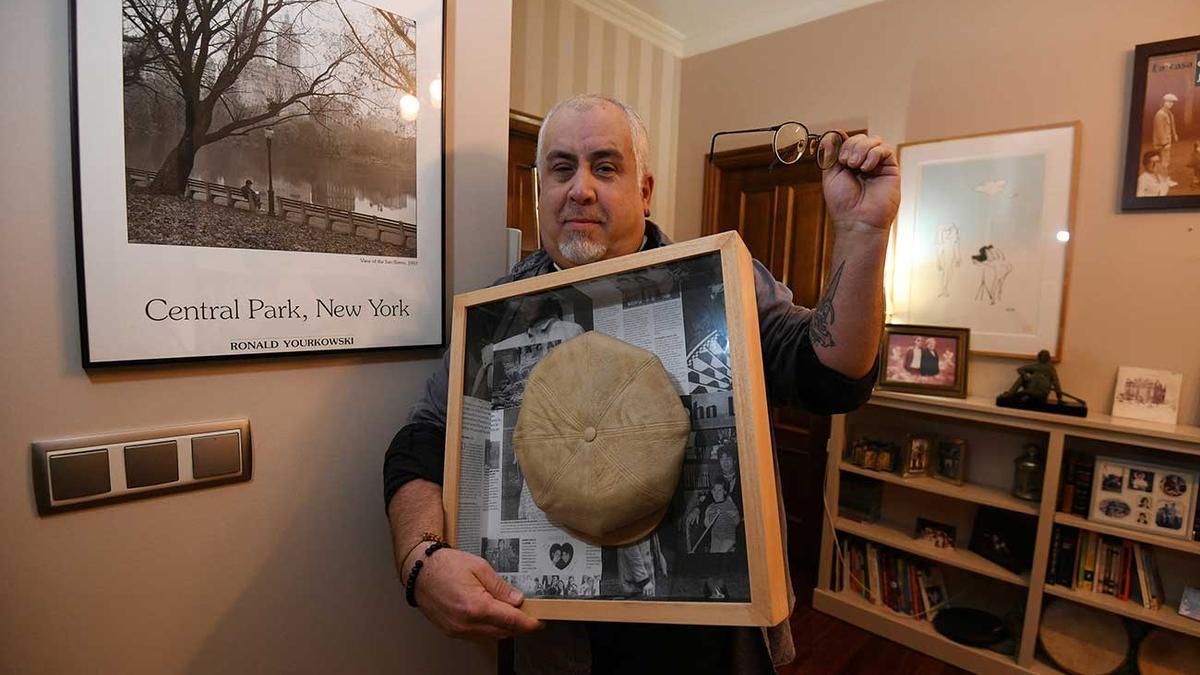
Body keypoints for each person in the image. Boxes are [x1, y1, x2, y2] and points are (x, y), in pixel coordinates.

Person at [382, 93, 898, 673]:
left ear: (644, 189)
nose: (581, 188)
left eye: (605, 167)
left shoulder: (722, 281)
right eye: (561, 168)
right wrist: (419, 560)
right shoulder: (496, 318)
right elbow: (422, 438)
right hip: (556, 649)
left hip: (708, 651)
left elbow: (830, 377)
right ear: (538, 189)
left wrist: (862, 234)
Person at [1152, 93, 1179, 185]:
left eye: (1172, 102)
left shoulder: (1168, 113)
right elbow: (1160, 130)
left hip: (1167, 141)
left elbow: (1171, 124)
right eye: (1168, 102)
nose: (1171, 104)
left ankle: (1163, 179)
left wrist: (1174, 134)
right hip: (1162, 143)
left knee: (1165, 161)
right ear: (1163, 102)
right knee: (1163, 162)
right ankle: (1163, 181)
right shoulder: (1160, 114)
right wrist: (1164, 143)